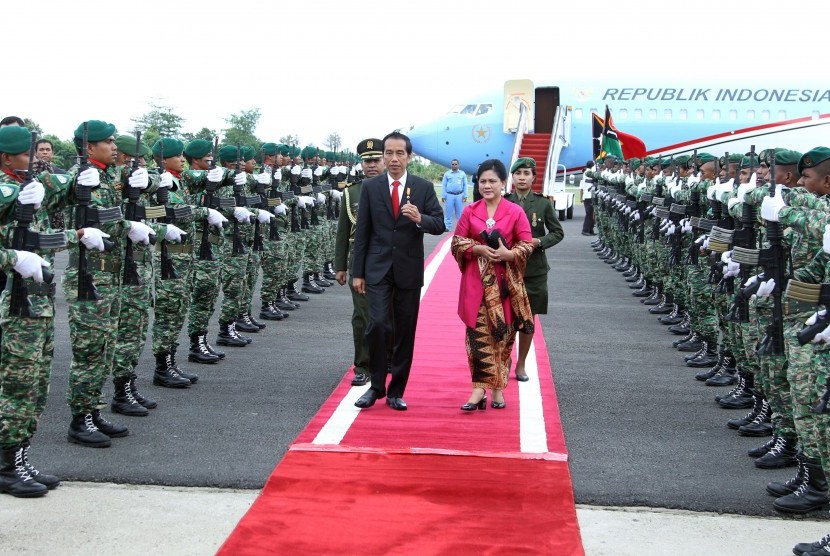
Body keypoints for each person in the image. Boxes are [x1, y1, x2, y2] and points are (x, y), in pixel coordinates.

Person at [351, 131, 445, 410]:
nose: (393, 159)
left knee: (405, 330)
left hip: (408, 268)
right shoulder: (371, 187)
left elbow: (440, 223)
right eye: (389, 153)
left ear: (409, 157)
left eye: (399, 153)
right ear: (383, 156)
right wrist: (358, 272)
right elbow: (363, 232)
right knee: (377, 324)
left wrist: (421, 219)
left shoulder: (423, 187)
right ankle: (376, 386)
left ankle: (396, 391)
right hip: (377, 268)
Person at [451, 159, 535, 410]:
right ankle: (478, 390)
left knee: (502, 336)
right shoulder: (470, 210)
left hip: (505, 286)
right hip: (476, 284)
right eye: (482, 181)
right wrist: (477, 248)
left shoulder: (515, 211)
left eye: (492, 181)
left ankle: (497, 389)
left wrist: (510, 255)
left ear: (502, 183)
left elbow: (527, 243)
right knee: (477, 337)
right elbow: (457, 242)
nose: (487, 186)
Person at [505, 157, 564, 381]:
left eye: (526, 174)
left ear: (533, 178)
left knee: (528, 320)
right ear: (512, 177)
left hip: (534, 270)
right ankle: (504, 360)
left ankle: (521, 365)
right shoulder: (504, 201)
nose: (522, 178)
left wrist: (538, 242)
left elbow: (557, 232)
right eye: (518, 174)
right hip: (509, 267)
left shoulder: (543, 204)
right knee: (507, 318)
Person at [335, 138, 385, 387]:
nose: (371, 165)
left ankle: (386, 361)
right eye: (367, 161)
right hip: (360, 261)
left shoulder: (395, 188)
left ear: (385, 161)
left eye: (376, 160)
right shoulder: (351, 192)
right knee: (363, 315)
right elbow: (343, 232)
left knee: (388, 314)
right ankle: (363, 366)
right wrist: (341, 266)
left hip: (388, 260)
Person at [441, 159, 467, 231]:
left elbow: (465, 185)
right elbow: (444, 185)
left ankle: (460, 227)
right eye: (453, 164)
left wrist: (465, 195)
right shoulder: (447, 174)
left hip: (459, 195)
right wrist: (443, 196)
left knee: (459, 213)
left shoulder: (462, 174)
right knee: (448, 211)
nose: (454, 166)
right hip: (449, 195)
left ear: (458, 165)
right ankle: (447, 227)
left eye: (456, 164)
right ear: (451, 165)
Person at [581, 160, 595, 235]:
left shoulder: (587, 171)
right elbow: (593, 179)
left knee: (592, 214)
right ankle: (585, 230)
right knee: (589, 214)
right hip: (588, 195)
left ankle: (590, 230)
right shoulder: (588, 172)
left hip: (590, 195)